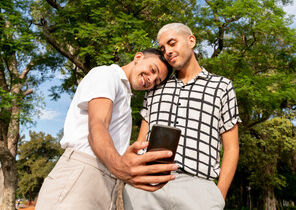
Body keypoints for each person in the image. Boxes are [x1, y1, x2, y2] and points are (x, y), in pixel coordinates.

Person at [35, 48, 176, 210]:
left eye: (156, 81)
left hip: (109, 185)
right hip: (81, 175)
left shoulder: (125, 97)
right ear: (138, 57)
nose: (151, 80)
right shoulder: (107, 75)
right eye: (152, 70)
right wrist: (119, 166)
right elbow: (97, 126)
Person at [123, 23, 240, 210]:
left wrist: (220, 195)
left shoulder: (222, 87)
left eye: (172, 43)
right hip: (147, 186)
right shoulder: (155, 86)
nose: (167, 51)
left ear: (191, 41)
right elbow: (142, 138)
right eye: (163, 48)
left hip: (200, 191)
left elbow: (232, 148)